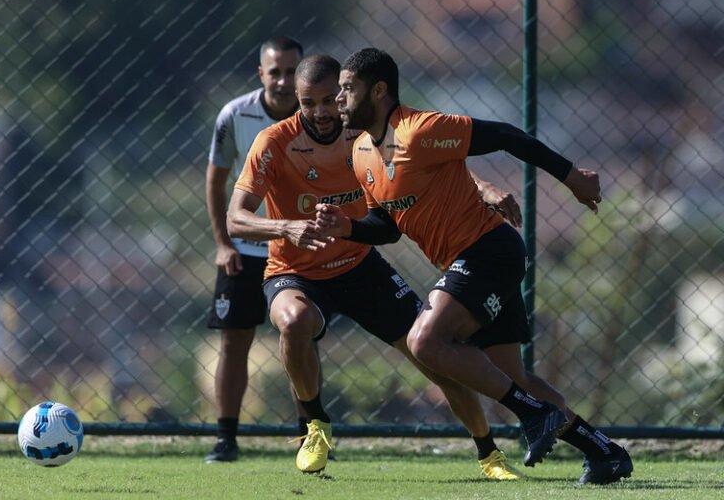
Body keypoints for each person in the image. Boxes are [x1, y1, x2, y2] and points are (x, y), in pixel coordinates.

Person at [316, 47, 633, 485]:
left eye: (347, 88)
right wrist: (347, 228)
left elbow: (505, 135)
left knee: (425, 341)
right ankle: (605, 453)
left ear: (379, 90)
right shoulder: (361, 154)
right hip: (469, 262)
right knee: (510, 377)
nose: (338, 99)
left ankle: (534, 414)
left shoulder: (420, 130)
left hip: (490, 251)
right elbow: (387, 227)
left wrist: (571, 176)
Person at [228, 53, 523, 479]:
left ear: (343, 94)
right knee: (293, 321)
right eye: (309, 103)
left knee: (433, 353)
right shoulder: (273, 143)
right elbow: (235, 219)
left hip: (360, 265)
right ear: (297, 100)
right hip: (295, 274)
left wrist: (484, 186)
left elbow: (428, 161)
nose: (321, 112)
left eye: (329, 100)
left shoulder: (364, 133)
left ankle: (489, 454)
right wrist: (285, 227)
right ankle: (315, 424)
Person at [204, 36, 308, 463]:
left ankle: (310, 438)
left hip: (298, 251)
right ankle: (225, 438)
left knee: (301, 338)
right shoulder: (234, 114)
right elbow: (216, 181)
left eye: (291, 72)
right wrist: (222, 244)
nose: (283, 81)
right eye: (275, 72)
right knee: (234, 341)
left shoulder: (319, 115)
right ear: (261, 73)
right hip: (244, 251)